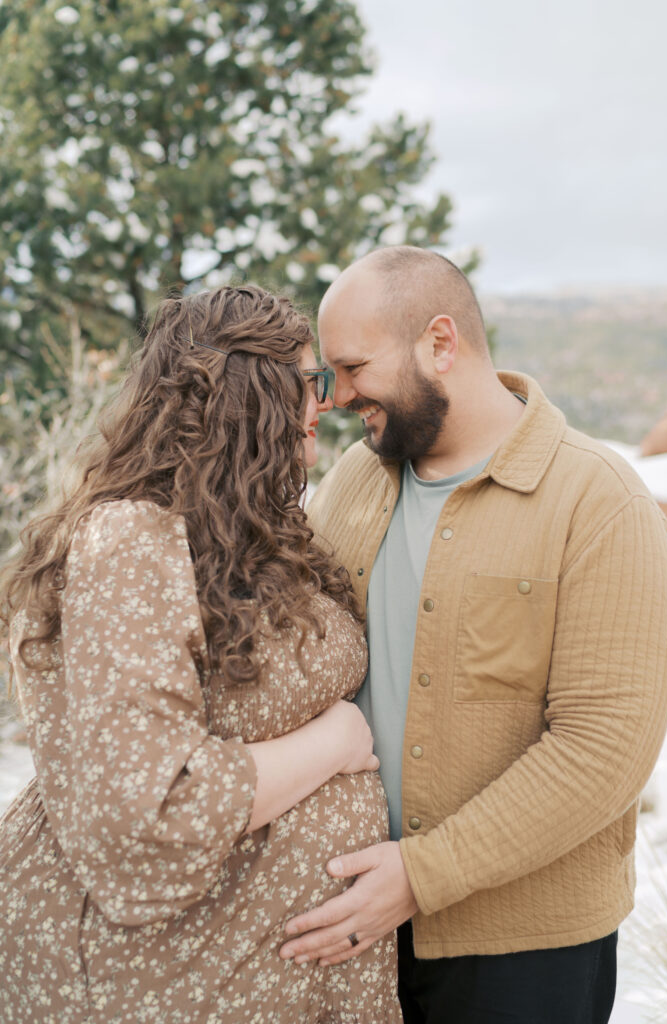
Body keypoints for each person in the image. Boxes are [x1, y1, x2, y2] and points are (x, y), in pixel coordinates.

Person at [278, 247, 667, 1024]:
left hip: (524, 953)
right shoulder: (356, 482)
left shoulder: (600, 505)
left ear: (440, 343)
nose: (334, 399)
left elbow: (604, 750)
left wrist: (422, 875)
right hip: (356, 922)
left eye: (354, 367)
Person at [0, 285, 403, 1024]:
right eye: (309, 383)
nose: (324, 404)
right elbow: (147, 818)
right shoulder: (130, 543)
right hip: (163, 981)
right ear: (251, 400)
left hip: (263, 972)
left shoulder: (262, 530)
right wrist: (334, 741)